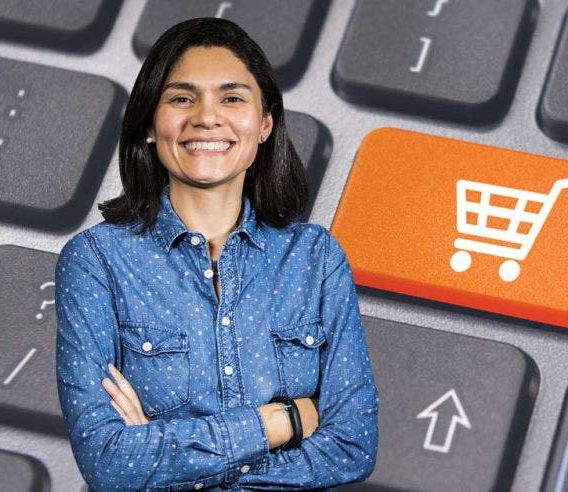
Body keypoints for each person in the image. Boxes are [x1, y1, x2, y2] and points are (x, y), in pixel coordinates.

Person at [54, 17, 378, 491]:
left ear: (265, 124)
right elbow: (110, 463)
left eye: (232, 98)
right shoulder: (97, 260)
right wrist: (283, 421)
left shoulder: (316, 258)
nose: (207, 116)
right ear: (149, 123)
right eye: (182, 98)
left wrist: (167, 459)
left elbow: (353, 447)